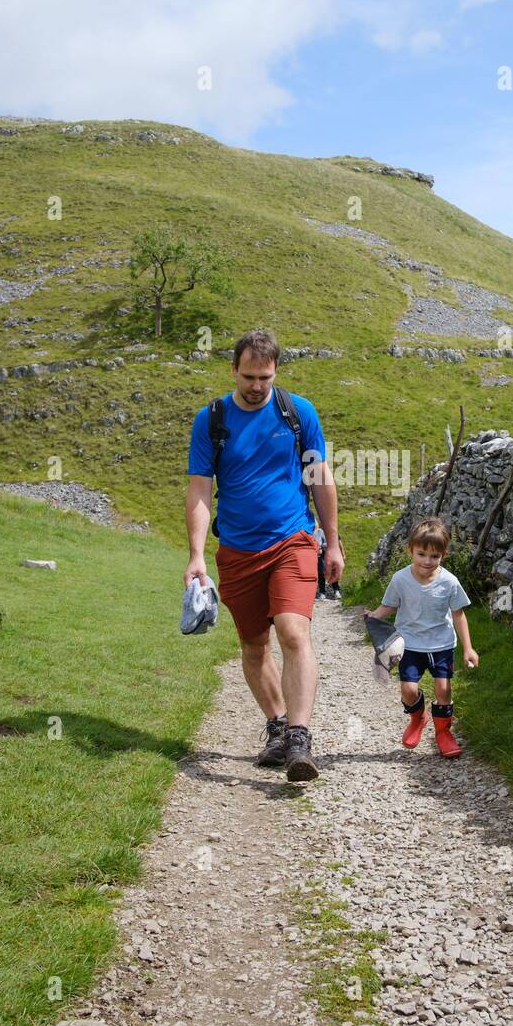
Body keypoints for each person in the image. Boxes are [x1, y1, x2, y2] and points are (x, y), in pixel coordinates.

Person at [184, 328, 344, 782]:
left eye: (265, 378)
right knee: (254, 646)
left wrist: (332, 541)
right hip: (236, 550)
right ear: (233, 370)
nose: (257, 386)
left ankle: (299, 738)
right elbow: (200, 490)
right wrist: (196, 555)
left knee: (294, 632)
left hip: (292, 539)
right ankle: (276, 726)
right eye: (249, 376)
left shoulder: (298, 413)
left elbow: (319, 478)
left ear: (276, 372)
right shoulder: (211, 420)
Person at [364, 517, 478, 758]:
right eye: (421, 554)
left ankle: (443, 733)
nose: (427, 561)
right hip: (411, 644)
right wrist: (373, 615)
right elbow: (389, 606)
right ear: (411, 551)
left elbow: (459, 615)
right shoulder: (400, 579)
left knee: (444, 689)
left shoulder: (449, 582)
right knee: (408, 689)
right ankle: (418, 718)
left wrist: (468, 649)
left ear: (443, 555)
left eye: (434, 556)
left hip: (442, 644)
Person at [314, 524, 341, 601]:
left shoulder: (332, 531)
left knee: (333, 571)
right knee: (321, 573)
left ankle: (336, 591)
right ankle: (322, 593)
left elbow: (339, 542)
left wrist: (342, 554)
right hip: (321, 554)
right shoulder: (318, 532)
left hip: (331, 553)